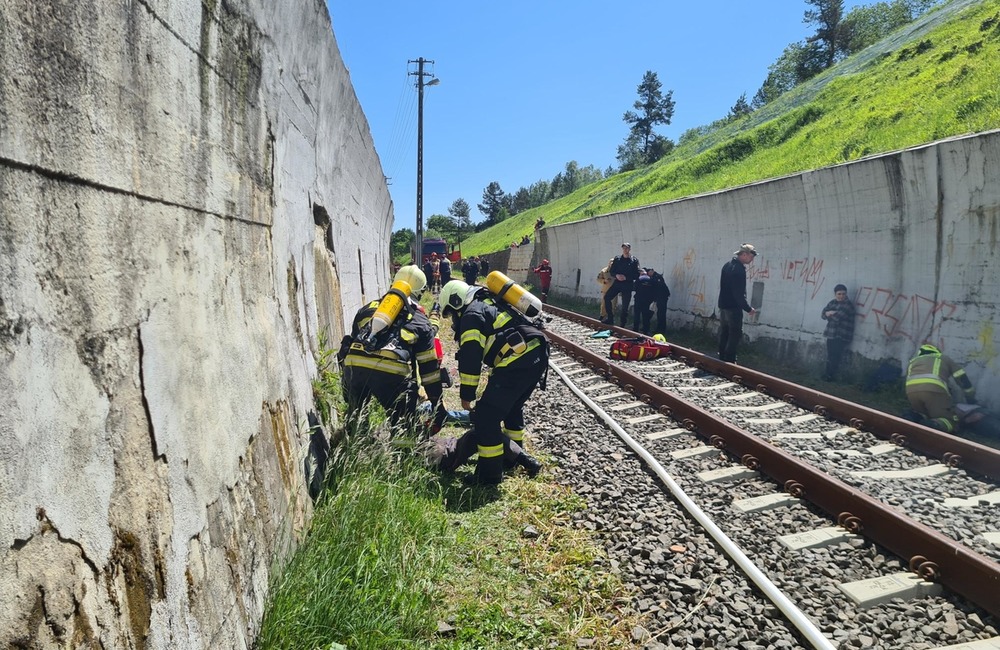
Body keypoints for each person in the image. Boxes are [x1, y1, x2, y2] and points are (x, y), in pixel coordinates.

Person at [437, 279, 548, 485]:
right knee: (513, 409)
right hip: (537, 354)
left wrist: (467, 396)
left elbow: (471, 357)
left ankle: (489, 476)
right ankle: (511, 459)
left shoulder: (471, 315)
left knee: (486, 418)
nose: (453, 321)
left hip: (517, 361)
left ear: (456, 302)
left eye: (452, 313)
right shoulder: (489, 303)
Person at [338, 265, 447, 433]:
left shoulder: (366, 309)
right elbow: (429, 371)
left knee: (356, 416)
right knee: (402, 424)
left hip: (355, 369)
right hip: (391, 375)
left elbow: (352, 342)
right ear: (419, 292)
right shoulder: (420, 321)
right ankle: (401, 453)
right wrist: (437, 404)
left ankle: (353, 442)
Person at [905, 344, 976, 434]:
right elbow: (961, 377)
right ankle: (933, 425)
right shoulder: (943, 358)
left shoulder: (913, 361)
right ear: (936, 351)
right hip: (934, 391)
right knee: (949, 420)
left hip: (911, 392)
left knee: (923, 414)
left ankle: (911, 418)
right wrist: (970, 397)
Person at [717, 243, 758, 363]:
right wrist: (748, 308)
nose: (752, 259)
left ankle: (722, 357)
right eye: (751, 256)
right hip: (733, 307)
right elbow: (738, 293)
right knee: (735, 334)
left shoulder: (727, 265)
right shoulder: (739, 270)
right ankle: (729, 360)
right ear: (744, 255)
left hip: (723, 305)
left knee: (724, 332)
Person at [820, 284, 855, 381]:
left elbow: (837, 318)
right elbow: (823, 314)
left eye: (843, 294)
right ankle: (827, 375)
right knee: (830, 355)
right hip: (831, 334)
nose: (841, 296)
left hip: (842, 335)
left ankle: (831, 376)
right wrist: (829, 313)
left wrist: (830, 313)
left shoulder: (848, 305)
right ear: (835, 294)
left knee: (835, 355)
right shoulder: (832, 302)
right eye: (839, 294)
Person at [603, 243, 640, 326]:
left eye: (627, 248)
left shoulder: (634, 260)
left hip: (627, 284)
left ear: (629, 249)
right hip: (618, 283)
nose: (625, 250)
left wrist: (626, 277)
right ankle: (610, 318)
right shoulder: (617, 259)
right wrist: (616, 275)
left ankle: (622, 324)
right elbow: (612, 271)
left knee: (625, 306)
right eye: (624, 248)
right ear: (622, 249)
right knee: (607, 297)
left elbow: (637, 274)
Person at [648, 267, 670, 336]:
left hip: (662, 297)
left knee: (661, 314)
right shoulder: (654, 277)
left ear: (652, 271)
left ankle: (662, 330)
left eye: (649, 273)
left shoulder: (658, 277)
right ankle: (658, 329)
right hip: (658, 298)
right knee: (659, 314)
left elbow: (658, 285)